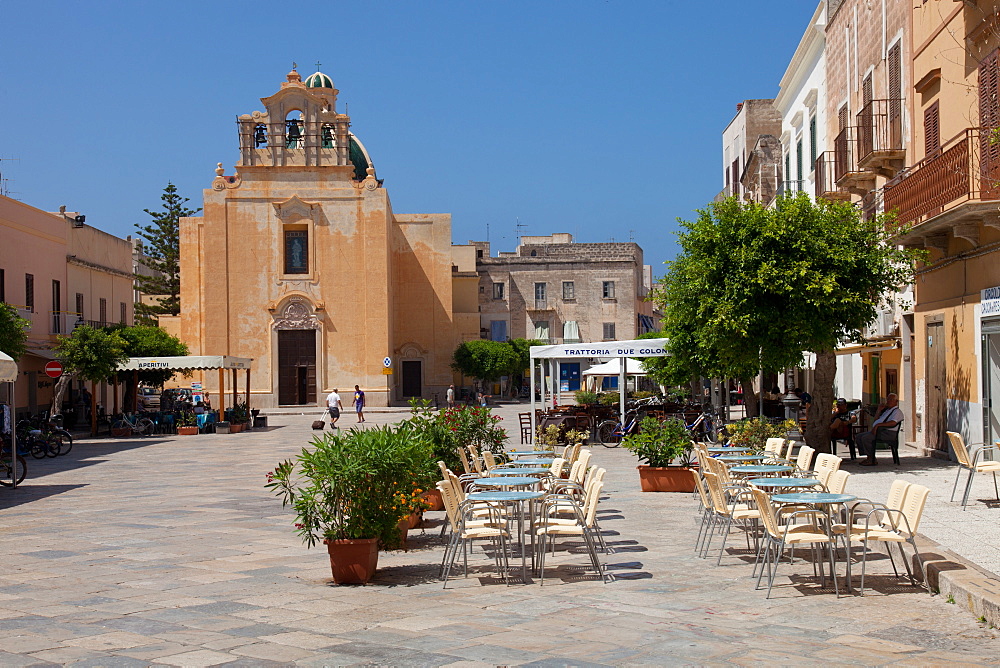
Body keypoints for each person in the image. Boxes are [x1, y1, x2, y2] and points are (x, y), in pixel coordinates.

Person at [855, 393, 903, 466]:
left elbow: (893, 422)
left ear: (896, 401)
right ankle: (869, 456)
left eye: (891, 400)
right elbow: (876, 420)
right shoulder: (887, 411)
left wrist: (878, 425)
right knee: (859, 436)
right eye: (888, 399)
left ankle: (871, 459)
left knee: (866, 438)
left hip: (887, 433)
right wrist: (879, 410)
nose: (888, 401)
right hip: (880, 431)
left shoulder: (897, 411)